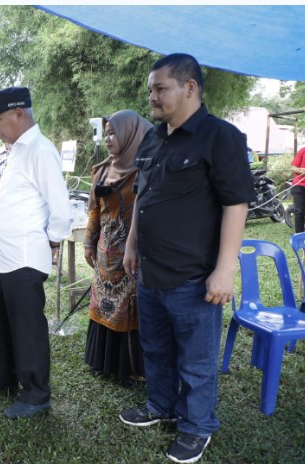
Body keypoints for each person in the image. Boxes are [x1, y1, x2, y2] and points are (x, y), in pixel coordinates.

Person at [120, 53, 254, 464]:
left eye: (160, 88)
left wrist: (224, 270)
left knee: (196, 363)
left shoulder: (220, 137)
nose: (153, 97)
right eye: (150, 90)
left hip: (194, 278)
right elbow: (144, 196)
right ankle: (160, 406)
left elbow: (236, 204)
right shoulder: (154, 137)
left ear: (189, 87)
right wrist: (130, 245)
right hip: (151, 272)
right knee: (156, 350)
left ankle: (197, 426)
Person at [0, 86, 71, 419]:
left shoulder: (40, 150)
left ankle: (36, 392)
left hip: (25, 256)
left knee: (27, 327)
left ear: (18, 114)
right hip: (7, 255)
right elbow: (19, 200)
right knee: (6, 322)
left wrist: (52, 243)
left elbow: (59, 208)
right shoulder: (17, 150)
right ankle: (6, 376)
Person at [82, 110, 152, 387]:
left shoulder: (145, 169)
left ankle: (130, 368)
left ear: (131, 134)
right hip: (104, 252)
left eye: (114, 133)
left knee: (128, 307)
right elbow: (94, 211)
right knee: (104, 305)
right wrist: (89, 242)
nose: (109, 139)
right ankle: (104, 363)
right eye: (106, 133)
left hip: (132, 254)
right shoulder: (102, 170)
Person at [290, 145, 305, 233]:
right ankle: (299, 236)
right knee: (299, 211)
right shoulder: (303, 150)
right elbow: (293, 167)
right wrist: (301, 171)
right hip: (299, 184)